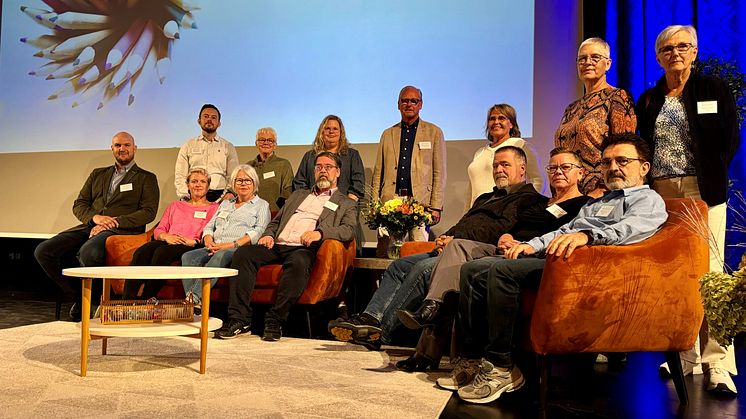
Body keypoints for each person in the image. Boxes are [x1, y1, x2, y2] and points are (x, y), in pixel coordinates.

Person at [447, 133, 667, 404]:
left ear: (644, 167)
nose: (613, 168)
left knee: (501, 272)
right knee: (475, 269)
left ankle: (502, 366)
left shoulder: (647, 200)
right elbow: (564, 230)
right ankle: (471, 360)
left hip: (591, 272)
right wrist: (531, 245)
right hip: (560, 261)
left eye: (622, 161)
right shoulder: (597, 202)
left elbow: (631, 230)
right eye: (607, 162)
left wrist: (588, 237)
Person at [328, 146, 554, 351]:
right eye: (496, 165)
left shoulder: (529, 199)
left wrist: (455, 238)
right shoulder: (485, 197)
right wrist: (447, 235)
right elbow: (465, 222)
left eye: (505, 165)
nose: (499, 170)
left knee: (423, 269)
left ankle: (382, 333)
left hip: (474, 252)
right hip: (452, 245)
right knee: (399, 266)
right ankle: (370, 318)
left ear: (522, 169)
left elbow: (499, 231)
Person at [636, 25, 741, 395]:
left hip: (703, 190)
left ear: (695, 51)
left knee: (710, 275)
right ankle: (684, 354)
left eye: (683, 46)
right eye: (667, 48)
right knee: (675, 276)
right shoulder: (649, 100)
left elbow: (730, 139)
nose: (675, 53)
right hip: (661, 195)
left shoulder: (714, 89)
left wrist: (708, 175)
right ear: (658, 56)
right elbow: (642, 148)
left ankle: (717, 362)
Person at [216, 151, 357, 341]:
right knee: (243, 254)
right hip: (277, 245)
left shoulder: (345, 202)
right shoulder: (298, 195)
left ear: (338, 172)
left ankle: (275, 319)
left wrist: (320, 233)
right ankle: (239, 319)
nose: (323, 171)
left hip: (304, 247)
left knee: (299, 262)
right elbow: (276, 221)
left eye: (328, 167)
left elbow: (348, 230)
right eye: (319, 167)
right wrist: (268, 234)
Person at [34, 132, 159, 321]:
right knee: (43, 251)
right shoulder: (98, 173)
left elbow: (148, 212)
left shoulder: (146, 177)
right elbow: (80, 204)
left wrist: (114, 221)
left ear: (135, 148)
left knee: (89, 252)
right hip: (91, 225)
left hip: (121, 229)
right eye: (117, 145)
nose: (122, 149)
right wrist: (95, 219)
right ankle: (80, 296)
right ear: (112, 148)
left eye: (126, 145)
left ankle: (94, 302)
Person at [555, 38, 637, 197]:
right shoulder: (571, 108)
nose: (588, 62)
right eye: (582, 59)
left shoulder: (617, 97)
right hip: (569, 192)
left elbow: (624, 146)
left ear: (608, 64)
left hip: (601, 191)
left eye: (595, 57)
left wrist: (603, 188)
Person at [181, 164, 271, 306]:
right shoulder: (226, 204)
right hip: (215, 245)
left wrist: (230, 245)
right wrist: (208, 240)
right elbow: (210, 226)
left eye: (248, 180)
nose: (243, 184)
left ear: (254, 183)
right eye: (239, 180)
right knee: (188, 256)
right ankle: (193, 301)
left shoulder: (261, 205)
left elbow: (258, 231)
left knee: (220, 255)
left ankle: (194, 299)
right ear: (233, 184)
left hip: (236, 248)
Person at [122, 168, 218, 300]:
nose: (198, 185)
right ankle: (126, 300)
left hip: (192, 244)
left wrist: (195, 242)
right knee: (142, 251)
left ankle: (147, 298)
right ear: (188, 185)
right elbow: (159, 229)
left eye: (203, 182)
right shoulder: (175, 206)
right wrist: (167, 237)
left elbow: (214, 231)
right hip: (169, 240)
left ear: (208, 187)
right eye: (194, 181)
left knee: (162, 253)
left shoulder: (214, 208)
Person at [371, 86, 446, 244]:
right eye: (405, 101)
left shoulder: (434, 132)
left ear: (421, 104)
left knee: (417, 252)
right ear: (398, 104)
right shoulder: (387, 134)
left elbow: (439, 172)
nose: (409, 104)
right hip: (390, 203)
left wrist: (436, 206)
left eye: (414, 101)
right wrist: (374, 205)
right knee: (387, 252)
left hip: (420, 204)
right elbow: (378, 172)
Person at [466, 104, 545, 210]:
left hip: (504, 213)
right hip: (477, 213)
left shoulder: (520, 145)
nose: (496, 122)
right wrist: (466, 214)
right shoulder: (479, 152)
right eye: (492, 119)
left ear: (511, 124)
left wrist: (524, 206)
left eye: (501, 118)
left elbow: (538, 180)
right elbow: (471, 189)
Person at [174, 104, 239, 202]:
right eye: (206, 116)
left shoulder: (228, 146)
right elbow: (180, 175)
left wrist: (228, 194)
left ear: (219, 123)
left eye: (213, 117)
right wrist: (185, 196)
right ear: (199, 120)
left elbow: (233, 175)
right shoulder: (188, 145)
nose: (209, 119)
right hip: (193, 195)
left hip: (221, 195)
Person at [293, 115, 365, 202]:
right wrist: (309, 202)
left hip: (343, 207)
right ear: (321, 132)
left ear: (341, 133)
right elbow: (299, 183)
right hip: (313, 207)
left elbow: (358, 183)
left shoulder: (352, 155)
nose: (331, 131)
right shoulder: (309, 156)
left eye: (335, 129)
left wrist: (346, 205)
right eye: (327, 128)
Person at [248, 127, 293, 212]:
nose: (266, 143)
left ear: (275, 145)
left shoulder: (283, 164)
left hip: (273, 212)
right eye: (262, 140)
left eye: (270, 140)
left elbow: (288, 189)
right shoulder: (248, 166)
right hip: (250, 212)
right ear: (256, 144)